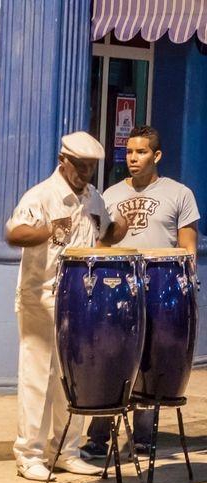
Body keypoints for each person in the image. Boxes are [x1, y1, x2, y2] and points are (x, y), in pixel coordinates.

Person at [5, 131, 130, 481]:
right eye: (79, 166)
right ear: (63, 161)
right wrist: (45, 231)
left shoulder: (93, 198)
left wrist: (120, 227)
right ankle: (29, 454)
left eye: (90, 167)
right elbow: (15, 233)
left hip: (79, 301)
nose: (85, 173)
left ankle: (66, 450)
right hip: (40, 297)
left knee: (72, 377)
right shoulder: (41, 196)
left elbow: (105, 234)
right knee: (37, 377)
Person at [83, 125, 201, 458]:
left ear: (157, 155)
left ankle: (143, 437)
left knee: (150, 361)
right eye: (129, 152)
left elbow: (188, 249)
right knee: (112, 361)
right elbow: (101, 244)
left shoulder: (179, 194)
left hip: (159, 288)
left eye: (141, 152)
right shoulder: (110, 194)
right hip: (118, 288)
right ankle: (97, 438)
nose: (133, 159)